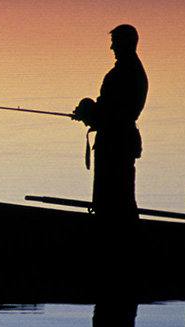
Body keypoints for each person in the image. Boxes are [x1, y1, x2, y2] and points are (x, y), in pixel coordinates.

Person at [72, 24, 148, 222]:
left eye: (114, 43)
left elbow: (109, 113)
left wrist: (87, 112)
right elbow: (110, 112)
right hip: (123, 141)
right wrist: (89, 113)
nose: (111, 48)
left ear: (124, 44)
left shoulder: (121, 74)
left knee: (111, 198)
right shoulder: (134, 71)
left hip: (115, 143)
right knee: (122, 197)